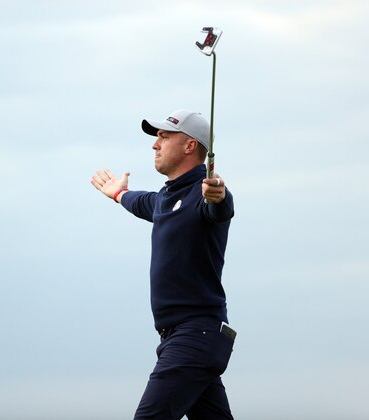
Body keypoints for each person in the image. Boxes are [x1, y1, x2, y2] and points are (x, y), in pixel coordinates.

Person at [90, 109, 236, 419]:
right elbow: (140, 202)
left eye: (163, 137)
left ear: (189, 146)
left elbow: (220, 207)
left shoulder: (204, 194)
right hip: (186, 339)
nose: (155, 145)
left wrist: (219, 195)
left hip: (196, 337)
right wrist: (118, 192)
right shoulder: (165, 200)